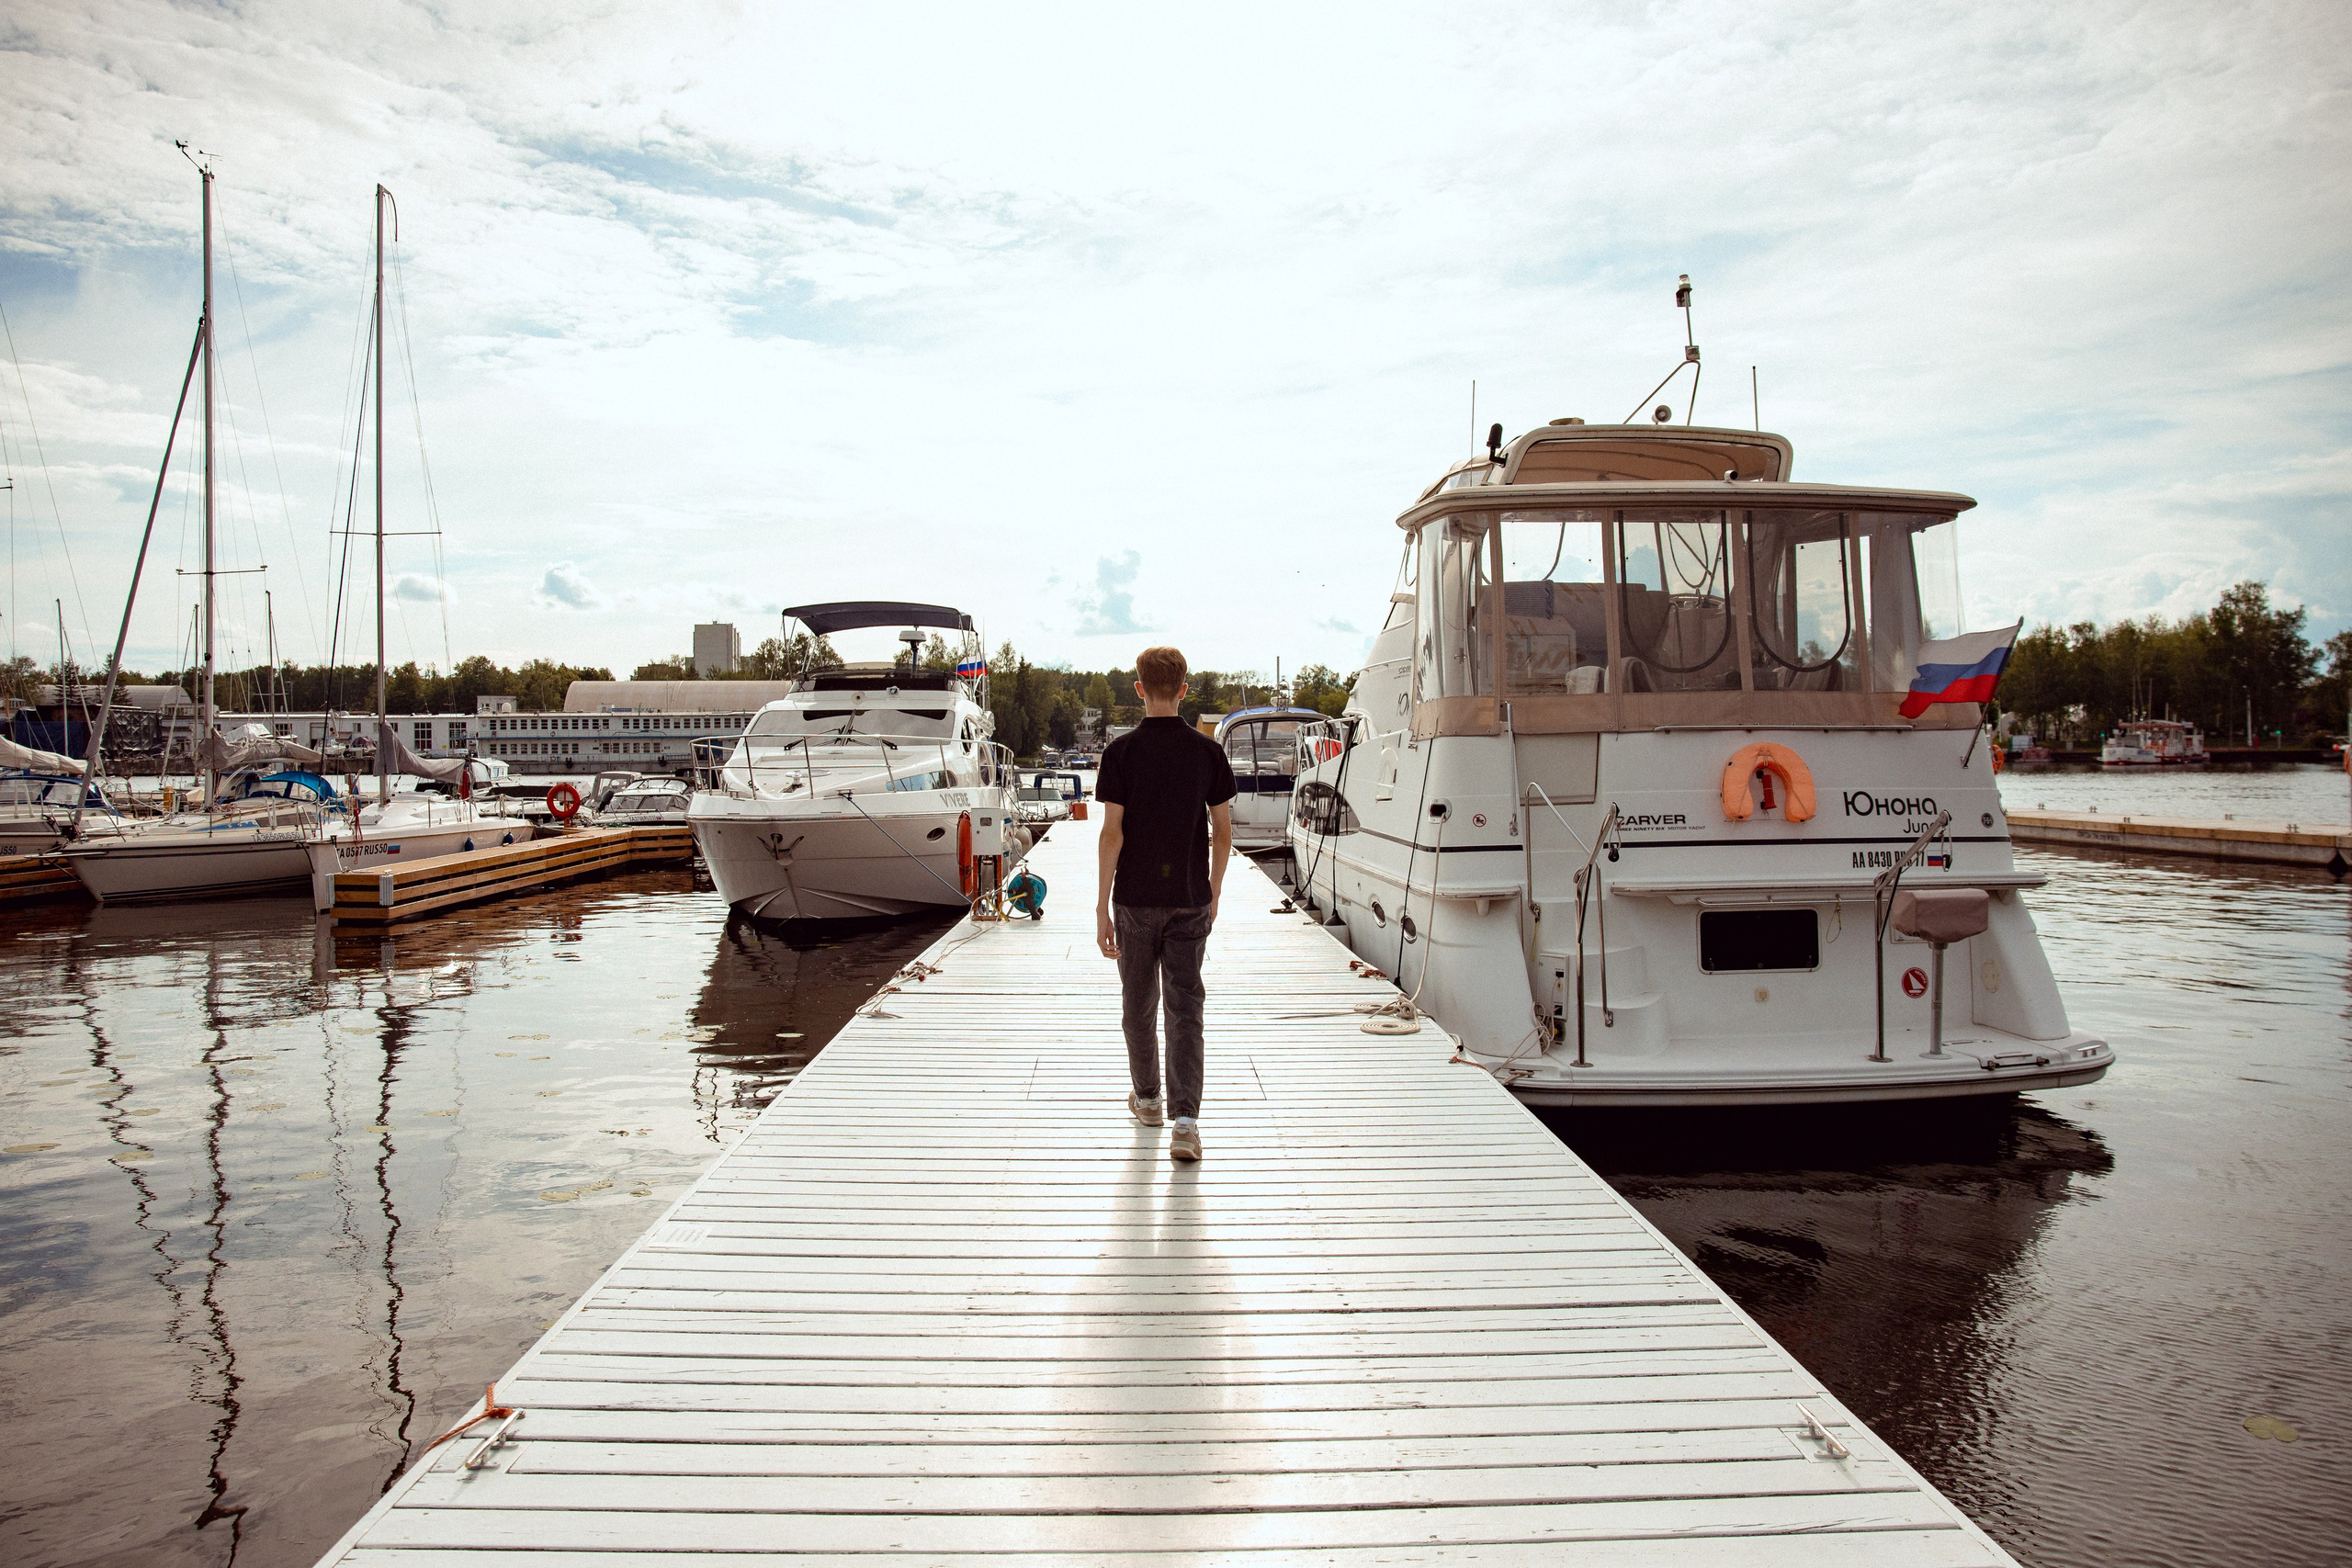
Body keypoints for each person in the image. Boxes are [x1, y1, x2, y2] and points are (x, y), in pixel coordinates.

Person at [1093, 645, 1235, 1163]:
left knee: (1138, 1004)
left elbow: (1112, 833)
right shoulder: (1208, 752)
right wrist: (1213, 889)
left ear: (1138, 689)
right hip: (1190, 899)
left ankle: (1149, 1100)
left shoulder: (1120, 753)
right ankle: (1186, 1124)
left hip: (1134, 900)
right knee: (1186, 1007)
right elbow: (1223, 832)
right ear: (1183, 689)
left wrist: (1101, 906)